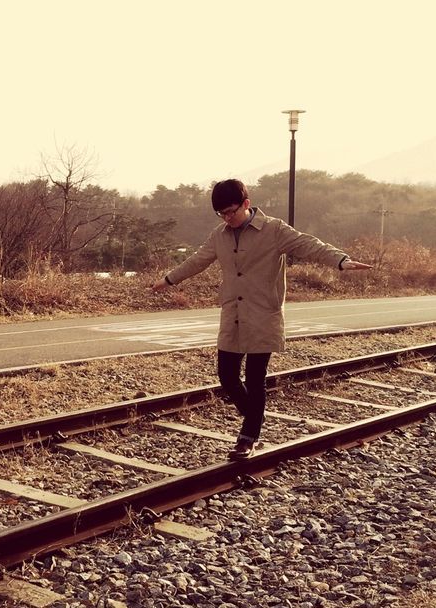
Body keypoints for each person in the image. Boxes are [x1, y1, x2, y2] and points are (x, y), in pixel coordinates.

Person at [152, 179, 372, 459]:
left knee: (256, 380)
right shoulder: (219, 235)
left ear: (246, 203)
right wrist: (168, 280)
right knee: (227, 376)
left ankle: (248, 436)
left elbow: (309, 245)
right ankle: (255, 417)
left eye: (231, 211)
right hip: (233, 314)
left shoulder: (274, 230)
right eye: (221, 214)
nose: (227, 218)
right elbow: (197, 260)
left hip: (263, 314)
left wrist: (340, 260)